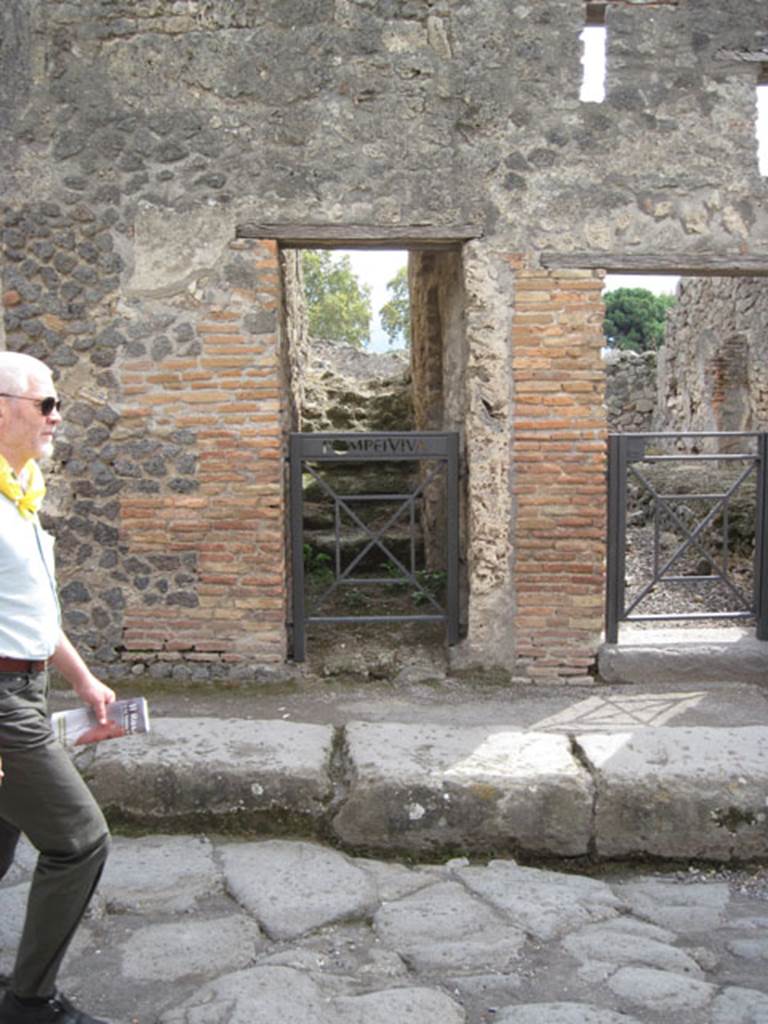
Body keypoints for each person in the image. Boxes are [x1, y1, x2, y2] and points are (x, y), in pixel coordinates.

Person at [0, 352, 115, 1024]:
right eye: (47, 404)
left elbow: (29, 613)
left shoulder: (22, 492)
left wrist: (82, 678)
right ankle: (28, 1003)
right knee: (79, 841)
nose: (57, 416)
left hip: (27, 688)